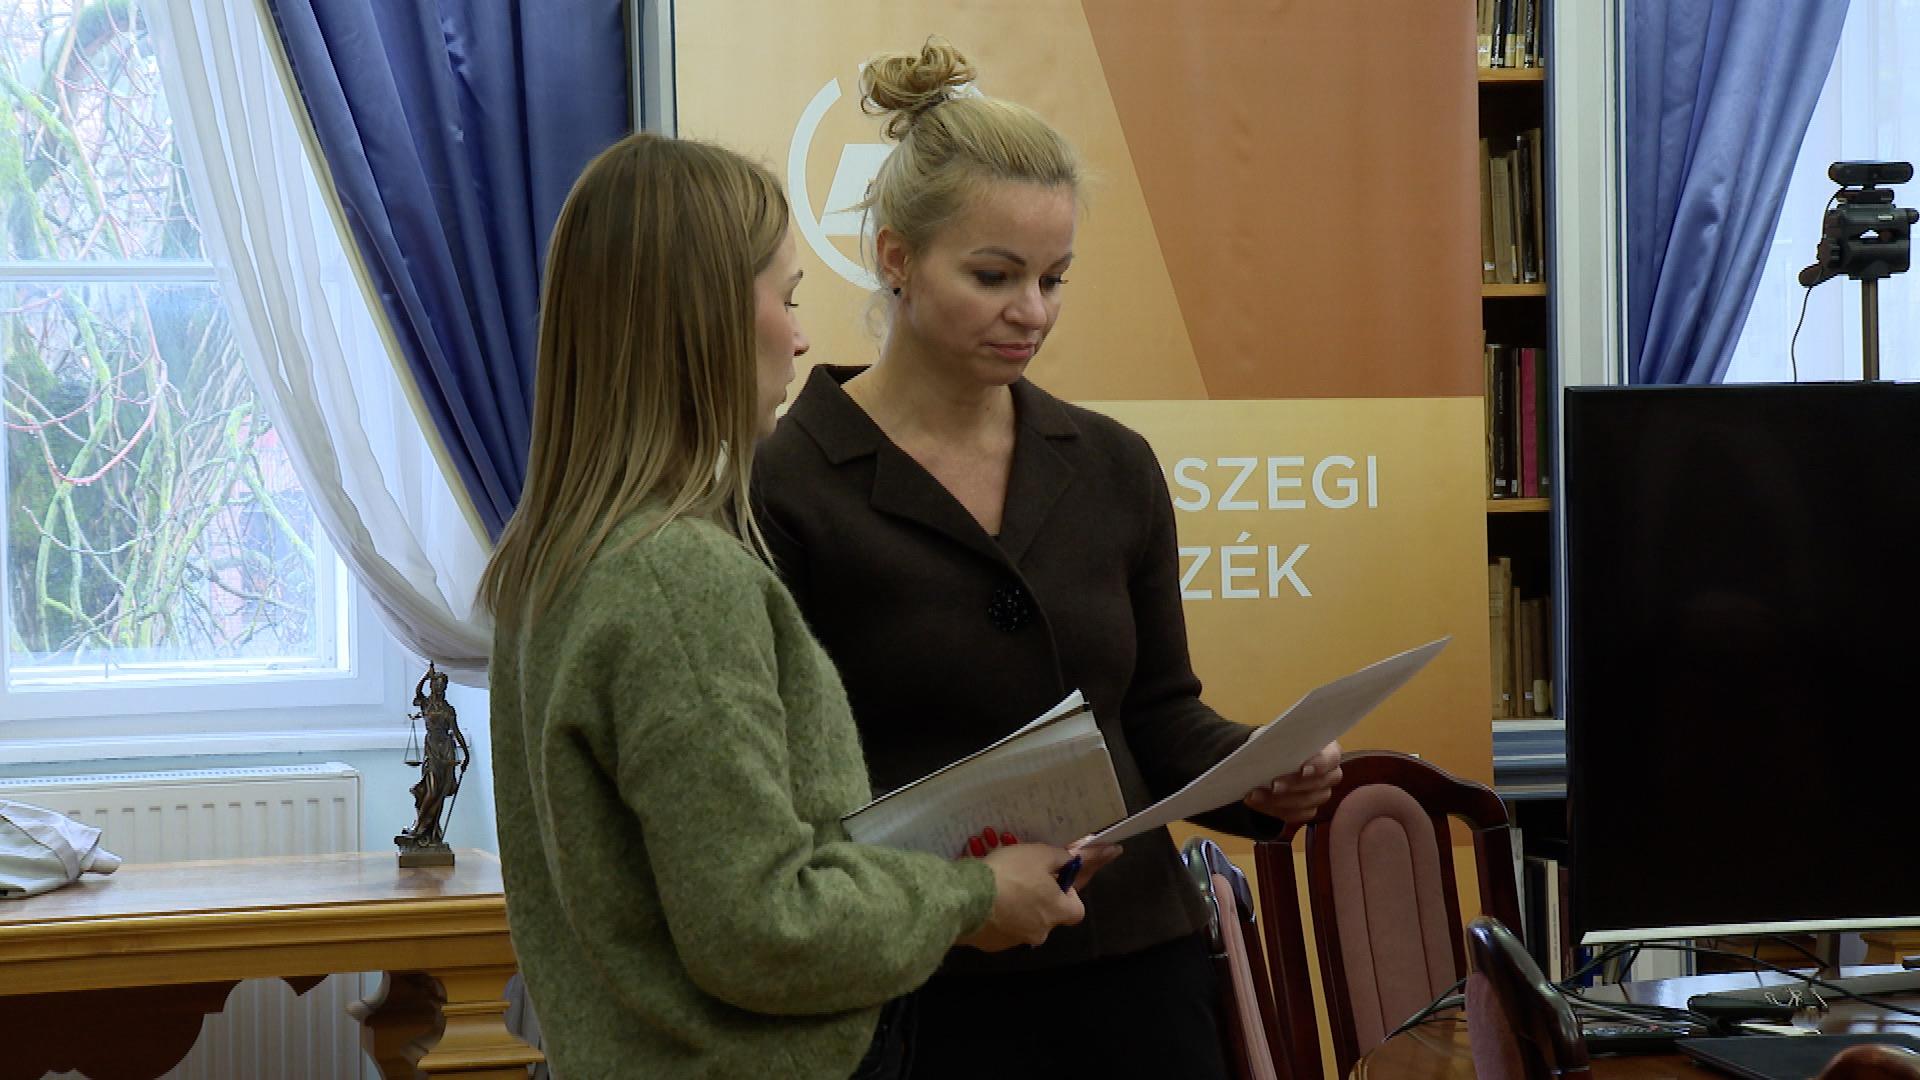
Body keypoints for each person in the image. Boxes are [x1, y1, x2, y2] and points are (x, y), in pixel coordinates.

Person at [754, 42, 1344, 1079]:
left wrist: (1262, 774)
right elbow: (786, 798)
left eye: (1053, 278)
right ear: (895, 257)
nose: (1032, 310)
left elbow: (1158, 718)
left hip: (1139, 976)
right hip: (918, 996)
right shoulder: (785, 485)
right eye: (994, 276)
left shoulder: (1112, 466)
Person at [480, 132, 1087, 1080]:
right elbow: (762, 927)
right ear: (704, 316)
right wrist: (972, 894)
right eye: (789, 298)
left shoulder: (555, 557)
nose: (802, 339)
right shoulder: (677, 579)